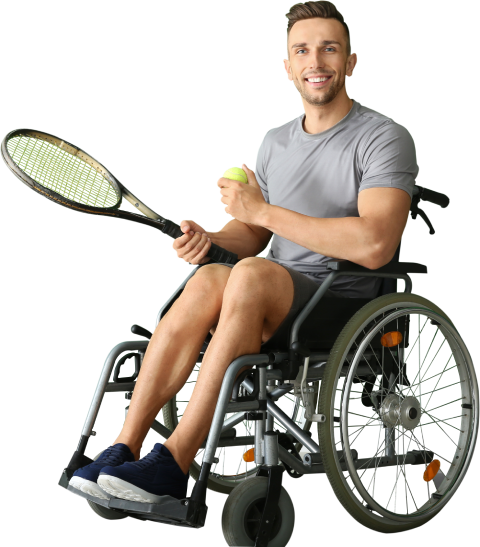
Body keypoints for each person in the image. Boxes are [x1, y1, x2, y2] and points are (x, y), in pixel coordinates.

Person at [69, 1, 418, 504]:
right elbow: (249, 236)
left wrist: (263, 213)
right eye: (302, 50)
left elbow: (375, 244)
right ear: (287, 68)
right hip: (271, 291)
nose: (315, 60)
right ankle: (124, 449)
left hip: (346, 301)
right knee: (211, 277)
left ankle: (175, 460)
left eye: (329, 48)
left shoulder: (385, 137)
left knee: (251, 274)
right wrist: (210, 240)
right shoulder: (274, 143)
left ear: (351, 62)